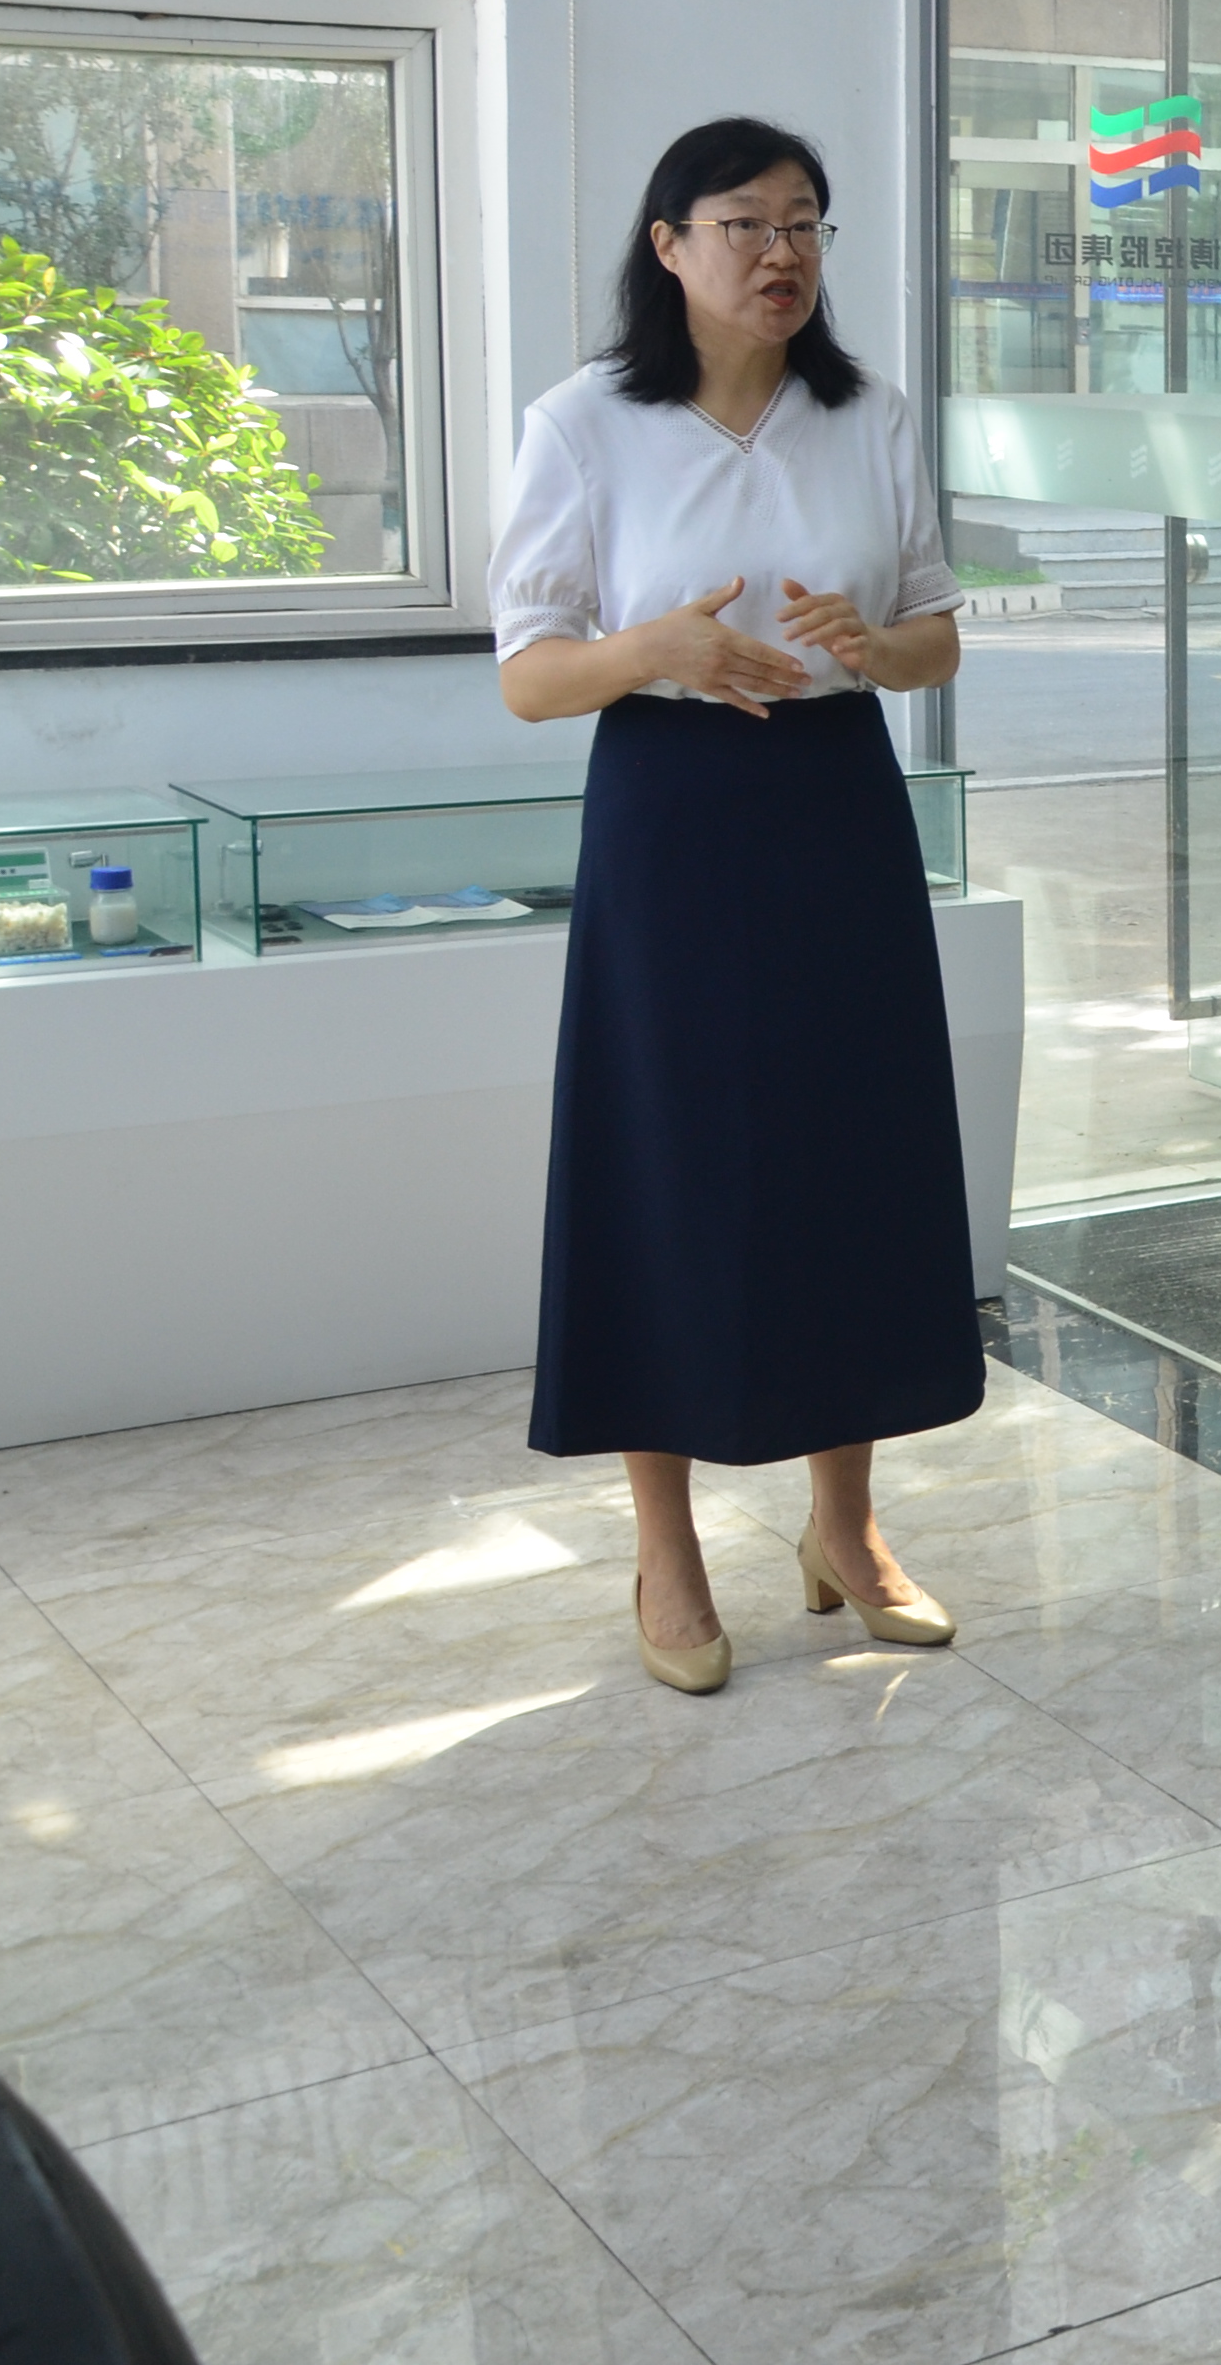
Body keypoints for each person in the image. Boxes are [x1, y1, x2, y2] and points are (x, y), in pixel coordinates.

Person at [495, 116, 980, 1695]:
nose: (785, 253)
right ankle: (669, 1549)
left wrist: (874, 644)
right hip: (674, 809)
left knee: (850, 1150)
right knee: (666, 1157)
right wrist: (659, 650)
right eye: (749, 223)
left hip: (838, 802)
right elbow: (528, 676)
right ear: (670, 244)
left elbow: (935, 636)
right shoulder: (584, 424)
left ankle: (845, 1528)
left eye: (809, 225)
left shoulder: (868, 414)